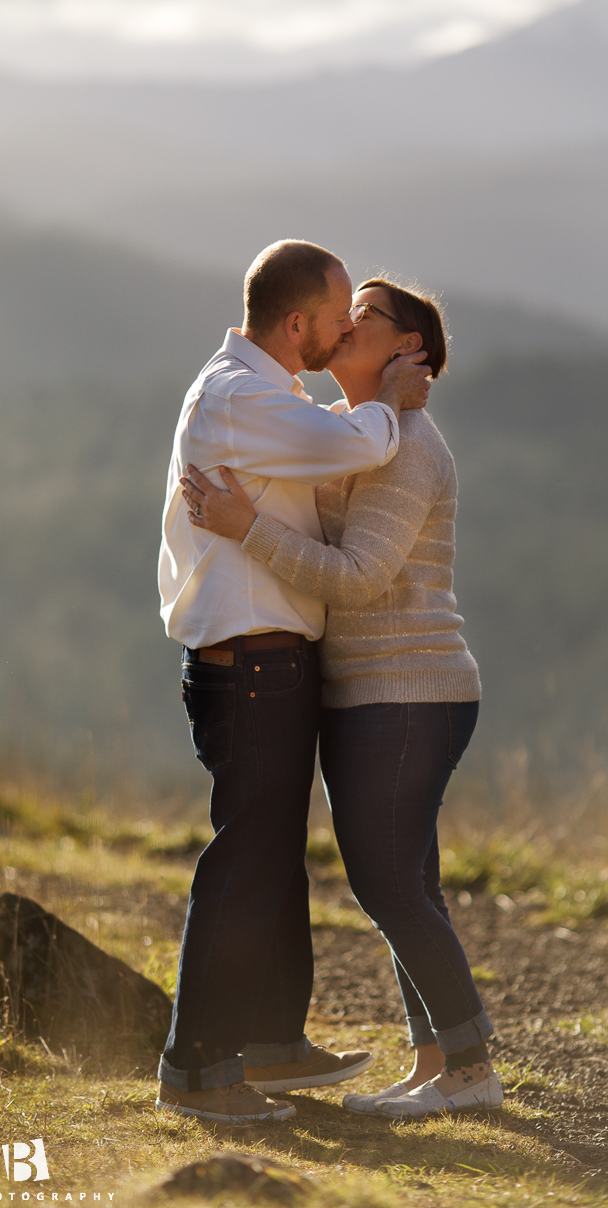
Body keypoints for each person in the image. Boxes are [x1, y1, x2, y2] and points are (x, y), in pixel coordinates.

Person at [181, 276, 503, 1121]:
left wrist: (245, 528)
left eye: (364, 316)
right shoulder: (356, 434)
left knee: (388, 881)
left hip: (408, 689)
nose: (343, 325)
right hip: (370, 692)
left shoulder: (411, 447)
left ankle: (471, 1066)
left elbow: (358, 579)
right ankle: (434, 1060)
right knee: (408, 879)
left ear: (405, 350)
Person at [156, 241, 432, 1126]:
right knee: (245, 859)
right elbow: (355, 443)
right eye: (341, 313)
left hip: (270, 662)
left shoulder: (263, 392)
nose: (350, 325)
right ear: (298, 324)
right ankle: (196, 1067)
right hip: (251, 666)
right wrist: (390, 399)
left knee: (272, 858)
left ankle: (273, 1042)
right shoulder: (241, 400)